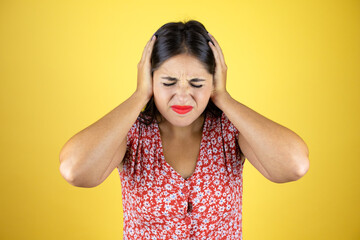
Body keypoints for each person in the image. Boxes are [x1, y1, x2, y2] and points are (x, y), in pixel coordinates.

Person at [59, 20, 310, 240]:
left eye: (197, 83)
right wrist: (139, 96)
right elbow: (74, 170)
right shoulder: (130, 132)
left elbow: (295, 165)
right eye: (168, 82)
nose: (182, 96)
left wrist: (224, 98)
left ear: (214, 80)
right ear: (149, 79)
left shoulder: (229, 129)